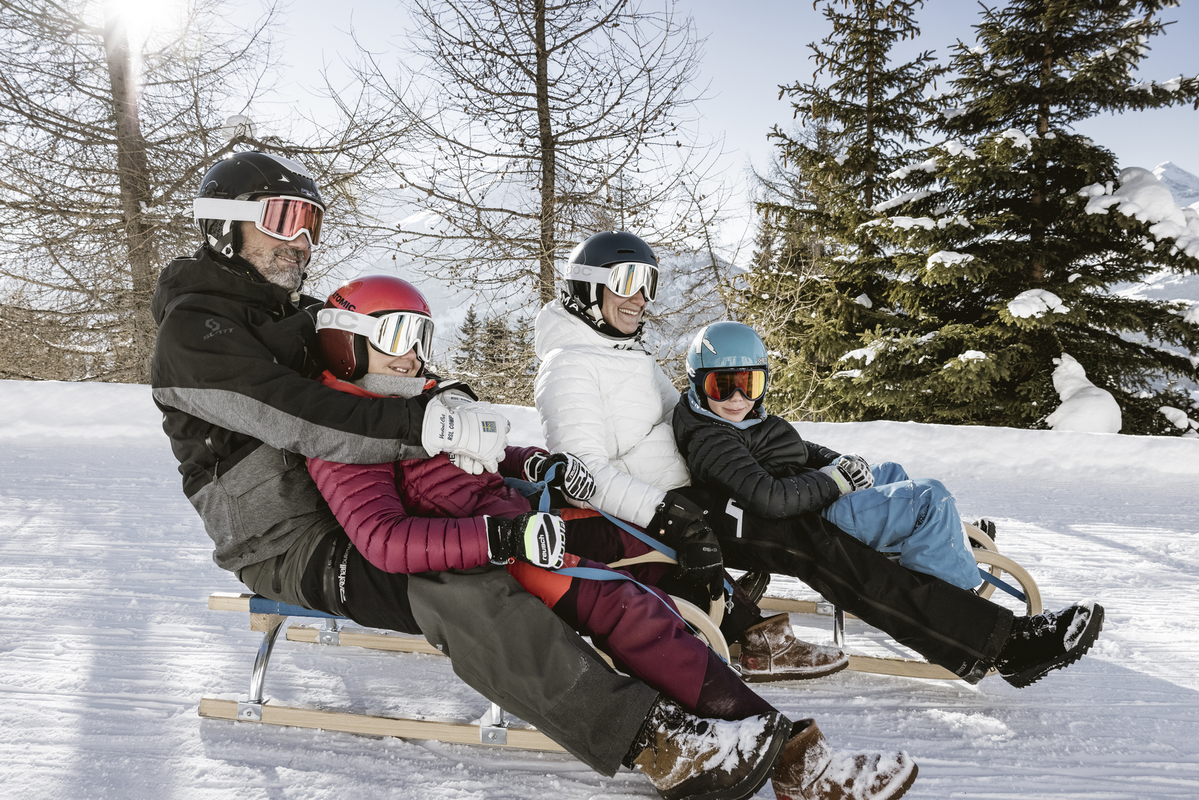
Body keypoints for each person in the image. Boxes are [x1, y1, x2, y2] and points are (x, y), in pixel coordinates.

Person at [148, 152, 880, 800]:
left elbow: (380, 371)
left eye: (311, 221)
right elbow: (300, 414)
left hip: (362, 500)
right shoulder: (194, 333)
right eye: (283, 218)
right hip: (289, 539)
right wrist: (432, 431)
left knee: (580, 543)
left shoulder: (293, 314)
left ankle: (732, 665)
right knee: (462, 585)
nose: (301, 239)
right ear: (224, 223)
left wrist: (470, 423)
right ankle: (651, 739)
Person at [308, 273, 917, 800]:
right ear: (346, 341)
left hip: (528, 517)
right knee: (631, 608)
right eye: (393, 336)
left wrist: (537, 462)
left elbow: (485, 455)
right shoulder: (342, 431)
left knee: (654, 549)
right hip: (500, 547)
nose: (410, 355)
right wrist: (505, 539)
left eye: (419, 336)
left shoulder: (417, 399)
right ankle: (798, 763)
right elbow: (383, 539)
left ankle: (742, 646)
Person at [533, 230, 1105, 698]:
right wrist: (671, 517)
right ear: (587, 288)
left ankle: (939, 573)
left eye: (648, 283)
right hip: (666, 512)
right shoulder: (570, 368)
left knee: (821, 529)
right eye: (626, 282)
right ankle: (1001, 645)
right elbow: (584, 473)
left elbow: (690, 420)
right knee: (815, 545)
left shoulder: (623, 354)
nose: (640, 297)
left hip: (701, 492)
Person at [675, 321, 981, 591]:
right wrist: (835, 481)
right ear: (698, 383)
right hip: (809, 523)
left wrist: (838, 462)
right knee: (929, 496)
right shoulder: (712, 439)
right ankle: (954, 595)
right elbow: (768, 497)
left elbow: (797, 447)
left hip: (809, 500)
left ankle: (933, 545)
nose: (738, 398)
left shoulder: (735, 421)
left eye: (749, 384)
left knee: (890, 471)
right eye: (722, 386)